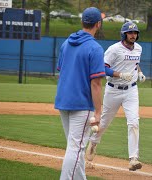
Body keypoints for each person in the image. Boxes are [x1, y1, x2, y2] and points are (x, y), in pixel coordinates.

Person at [86, 22, 146, 171]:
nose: (133, 35)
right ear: (124, 34)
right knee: (104, 122)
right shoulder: (114, 49)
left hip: (131, 90)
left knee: (134, 122)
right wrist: (120, 74)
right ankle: (93, 143)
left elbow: (134, 62)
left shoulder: (138, 48)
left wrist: (139, 72)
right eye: (130, 33)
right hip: (113, 90)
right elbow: (102, 67)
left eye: (135, 33)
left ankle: (133, 158)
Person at [54, 7, 105, 180]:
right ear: (98, 24)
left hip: (63, 100)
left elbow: (62, 71)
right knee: (75, 148)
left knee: (74, 147)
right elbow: (96, 83)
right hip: (82, 104)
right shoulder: (95, 48)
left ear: (82, 22)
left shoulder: (66, 43)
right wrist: (98, 112)